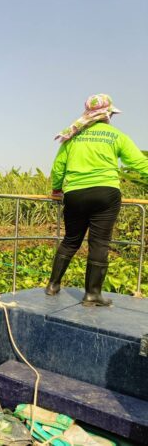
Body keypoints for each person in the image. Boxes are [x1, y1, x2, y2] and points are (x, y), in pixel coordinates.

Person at [46, 94, 148, 306]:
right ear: (108, 114)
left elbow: (58, 167)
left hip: (75, 194)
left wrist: (56, 189)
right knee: (99, 243)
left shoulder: (72, 136)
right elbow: (139, 163)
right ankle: (92, 294)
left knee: (71, 240)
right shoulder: (117, 136)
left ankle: (53, 285)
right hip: (105, 193)